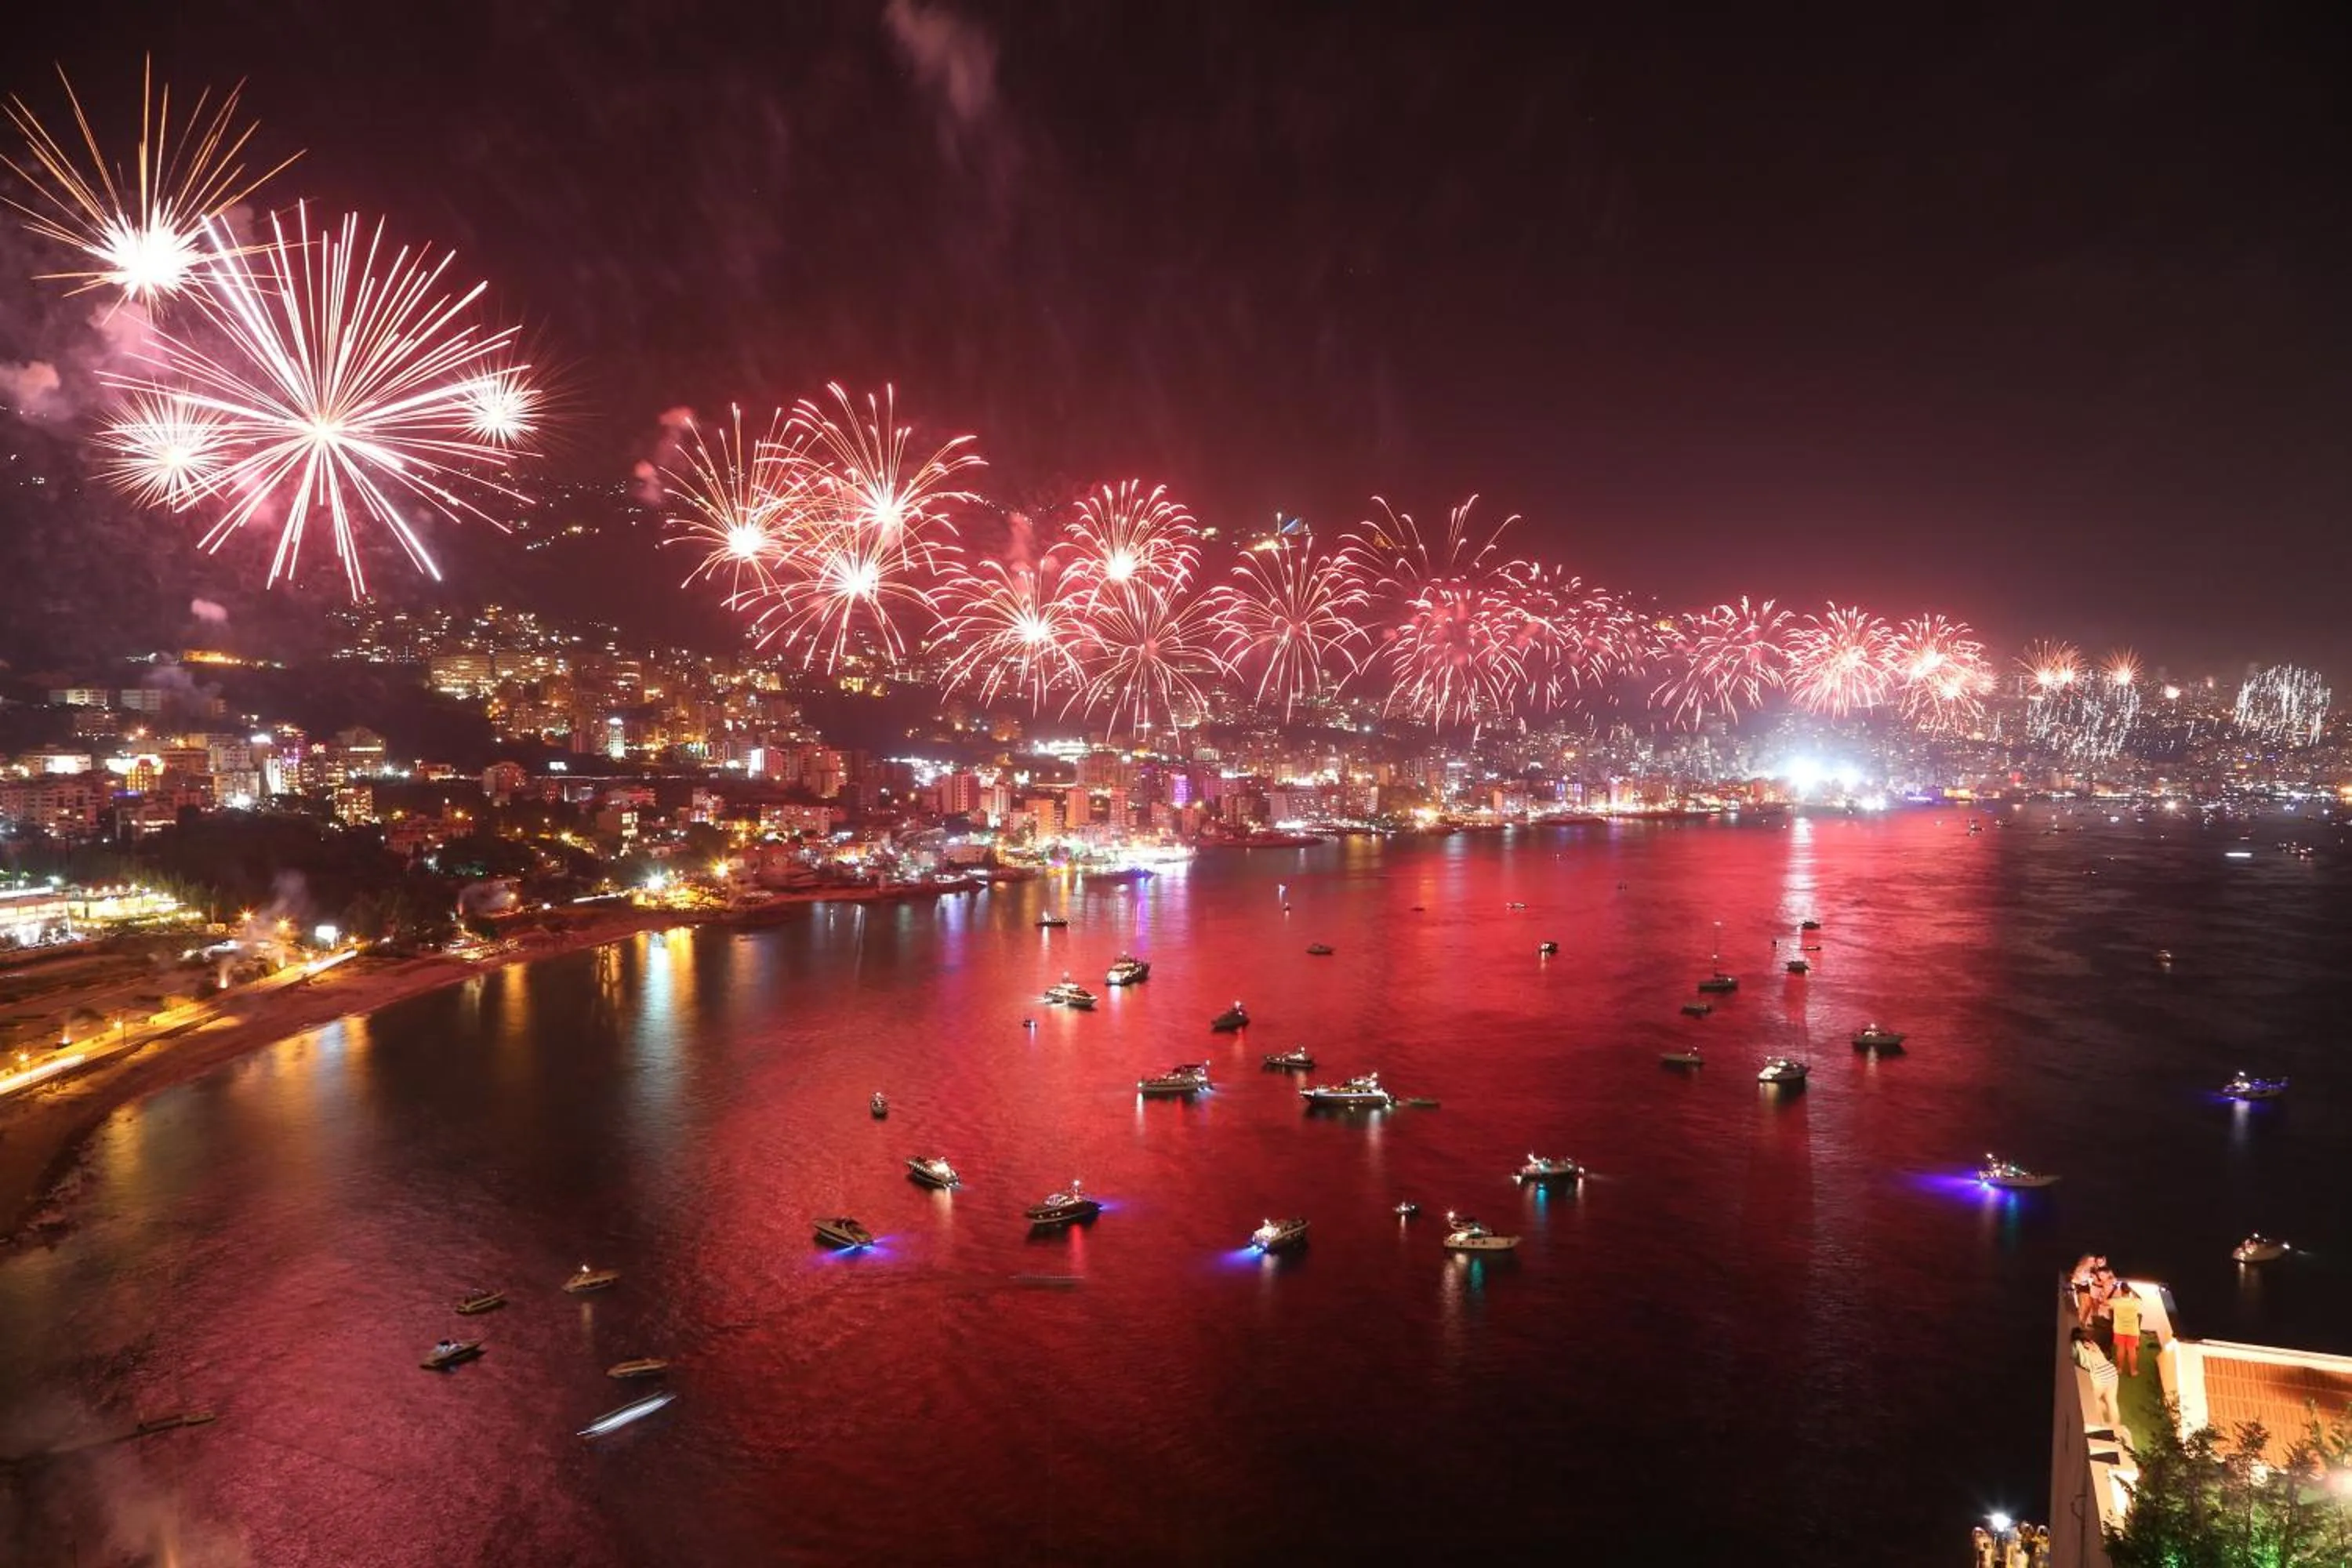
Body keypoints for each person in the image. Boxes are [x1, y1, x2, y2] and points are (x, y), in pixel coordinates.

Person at [2071, 1327, 2120, 1423]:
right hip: (2111, 1370)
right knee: (2112, 1402)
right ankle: (2116, 1428)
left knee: (2094, 1401)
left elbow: (2071, 1357)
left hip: (2099, 1374)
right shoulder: (2092, 1343)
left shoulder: (2076, 1344)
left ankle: (2101, 1425)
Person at [2110, 1284, 2144, 1376]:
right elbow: (2140, 1298)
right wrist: (2133, 1290)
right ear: (2130, 1291)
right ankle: (2133, 1371)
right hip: (2133, 1331)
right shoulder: (2136, 1302)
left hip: (2119, 1330)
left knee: (2120, 1349)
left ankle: (2120, 1369)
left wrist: (2113, 1289)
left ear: (2121, 1291)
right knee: (2132, 1350)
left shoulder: (2115, 1302)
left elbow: (2105, 1300)